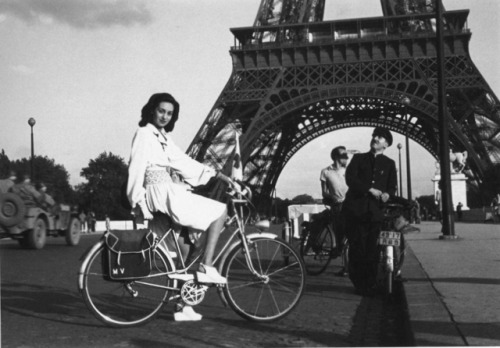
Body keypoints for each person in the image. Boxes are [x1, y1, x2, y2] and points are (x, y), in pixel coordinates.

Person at [126, 93, 233, 321]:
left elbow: (183, 162)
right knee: (220, 211)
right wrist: (136, 200)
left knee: (184, 251)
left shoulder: (162, 137)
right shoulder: (144, 134)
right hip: (161, 192)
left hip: (167, 191)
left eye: (169, 113)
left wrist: (218, 175)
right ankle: (207, 266)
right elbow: (136, 167)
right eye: (161, 110)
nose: (165, 116)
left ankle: (182, 306)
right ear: (152, 110)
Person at [341, 127, 397, 296]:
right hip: (355, 210)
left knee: (372, 250)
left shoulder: (389, 163)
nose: (375, 138)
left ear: (386, 144)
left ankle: (370, 283)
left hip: (374, 212)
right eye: (375, 136)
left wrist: (388, 194)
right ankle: (359, 284)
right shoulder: (358, 158)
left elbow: (392, 186)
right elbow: (350, 179)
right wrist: (369, 189)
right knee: (357, 248)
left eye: (380, 137)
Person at [320, 146, 349, 275]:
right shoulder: (325, 172)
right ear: (337, 157)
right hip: (337, 206)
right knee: (342, 234)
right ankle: (345, 264)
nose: (347, 158)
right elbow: (324, 192)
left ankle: (347, 262)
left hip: (350, 204)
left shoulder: (349, 171)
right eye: (345, 156)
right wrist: (332, 196)